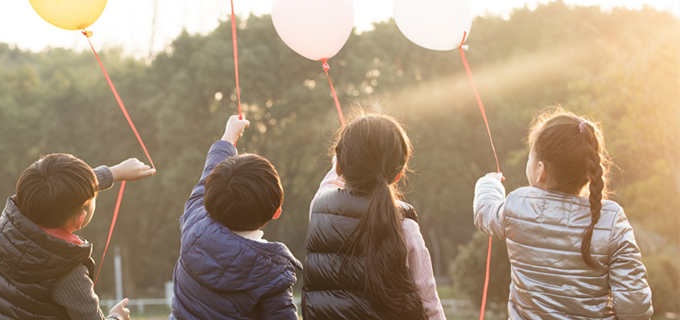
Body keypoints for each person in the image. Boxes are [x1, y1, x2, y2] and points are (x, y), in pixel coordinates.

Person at [473, 108, 653, 318]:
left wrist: (489, 182)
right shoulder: (612, 218)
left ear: (540, 171)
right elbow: (635, 306)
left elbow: (485, 212)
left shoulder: (518, 206)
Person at [302, 114, 445, 320]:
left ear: (340, 165)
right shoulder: (403, 223)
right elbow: (429, 302)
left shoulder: (319, 207)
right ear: (398, 174)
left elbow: (331, 179)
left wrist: (342, 158)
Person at [0, 153, 155, 320]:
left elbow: (62, 191)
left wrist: (114, 172)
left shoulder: (11, 223)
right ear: (80, 219)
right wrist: (117, 316)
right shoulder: (66, 272)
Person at [171, 115, 302, 320]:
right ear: (277, 212)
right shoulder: (271, 272)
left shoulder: (194, 222)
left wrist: (228, 136)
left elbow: (208, 174)